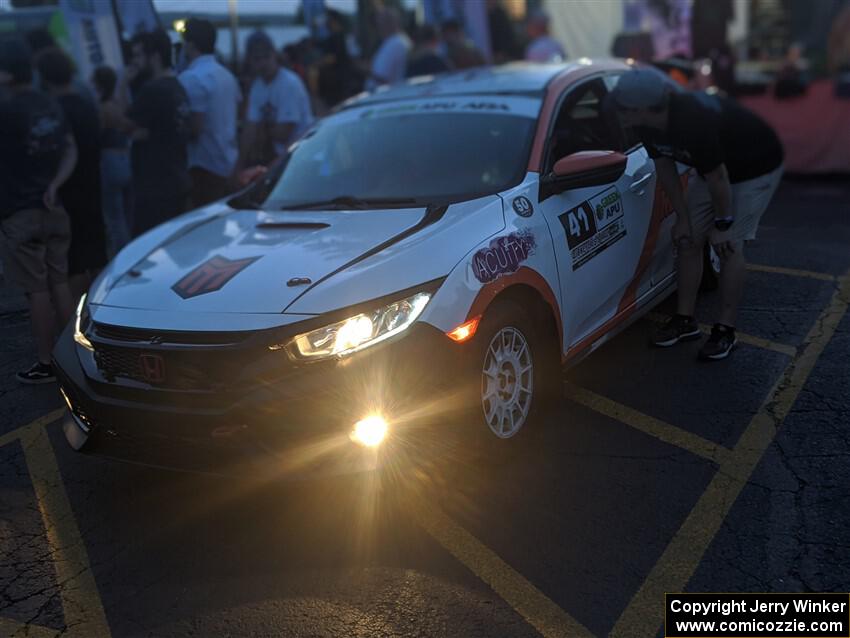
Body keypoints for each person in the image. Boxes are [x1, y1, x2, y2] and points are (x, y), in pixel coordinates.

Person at [611, 69, 784, 360]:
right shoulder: (644, 122)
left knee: (729, 246)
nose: (616, 113)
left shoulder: (692, 120)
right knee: (687, 239)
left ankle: (725, 329)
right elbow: (664, 166)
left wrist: (724, 223)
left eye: (622, 108)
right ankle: (685, 321)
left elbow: (718, 177)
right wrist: (682, 218)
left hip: (754, 168)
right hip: (713, 169)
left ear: (641, 108)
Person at [0, 38, 76, 384]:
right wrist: (55, 185)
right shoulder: (50, 104)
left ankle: (46, 363)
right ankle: (73, 350)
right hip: (54, 208)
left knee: (37, 291)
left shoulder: (7, 110)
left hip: (20, 212)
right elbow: (70, 149)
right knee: (59, 280)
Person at [38, 49, 107, 296]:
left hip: (66, 191)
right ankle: (100, 305)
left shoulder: (53, 111)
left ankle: (74, 320)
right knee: (97, 255)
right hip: (93, 185)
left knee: (73, 263)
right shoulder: (86, 105)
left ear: (44, 78)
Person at [126, 30, 191, 236]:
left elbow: (125, 124)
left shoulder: (153, 90)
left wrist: (121, 81)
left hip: (154, 187)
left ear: (153, 57)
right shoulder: (177, 86)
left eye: (138, 56)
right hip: (175, 179)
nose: (134, 62)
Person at [178, 18, 241, 208]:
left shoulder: (191, 78)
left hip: (203, 166)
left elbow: (195, 128)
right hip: (229, 162)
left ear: (190, 44)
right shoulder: (227, 75)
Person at [236, 31, 314, 172]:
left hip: (302, 156)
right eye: (257, 59)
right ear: (250, 61)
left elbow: (283, 133)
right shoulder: (257, 86)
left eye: (267, 57)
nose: (263, 63)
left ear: (275, 55)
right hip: (280, 159)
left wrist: (260, 128)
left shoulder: (289, 83)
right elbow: (249, 130)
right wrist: (239, 165)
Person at [92, 65, 132, 257]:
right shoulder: (118, 104)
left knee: (114, 216)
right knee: (125, 212)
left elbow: (97, 136)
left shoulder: (101, 108)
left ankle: (121, 255)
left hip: (109, 159)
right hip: (126, 157)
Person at [365, 7, 412, 90]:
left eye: (380, 23)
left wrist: (363, 70)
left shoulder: (395, 44)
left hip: (383, 96)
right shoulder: (397, 40)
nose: (378, 27)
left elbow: (382, 77)